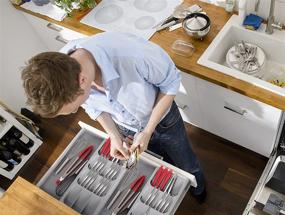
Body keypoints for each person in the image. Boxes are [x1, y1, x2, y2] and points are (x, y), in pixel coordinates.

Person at [21, 32, 206, 202]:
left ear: (82, 80)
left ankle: (199, 190)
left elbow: (170, 83)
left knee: (186, 161)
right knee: (159, 160)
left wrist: (148, 130)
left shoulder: (133, 55)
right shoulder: (64, 67)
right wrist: (114, 135)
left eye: (74, 107)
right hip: (126, 125)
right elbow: (93, 107)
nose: (78, 109)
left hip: (164, 121)